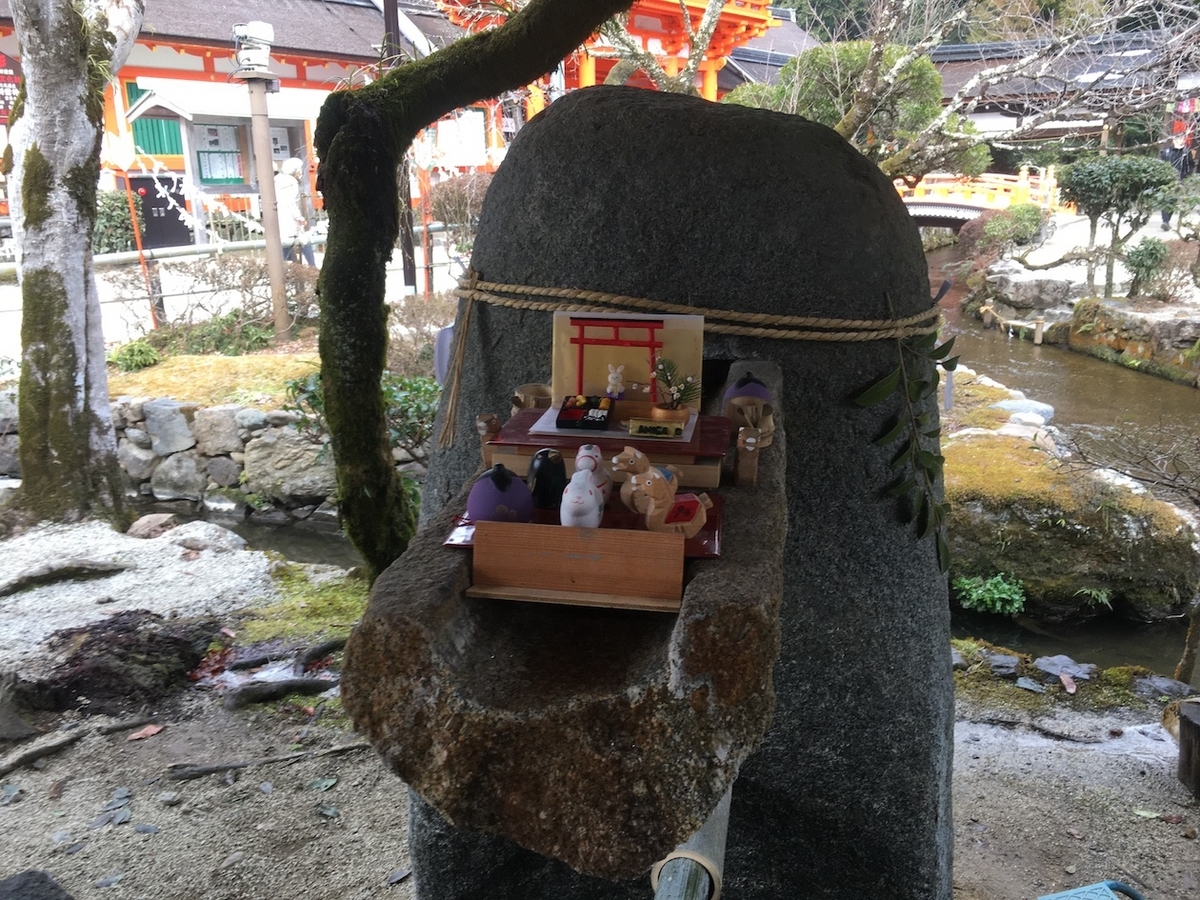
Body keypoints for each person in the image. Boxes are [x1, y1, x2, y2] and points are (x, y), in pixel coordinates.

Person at [274, 157, 316, 266]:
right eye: (299, 169)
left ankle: (288, 271)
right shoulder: (291, 182)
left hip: (281, 219)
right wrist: (299, 217)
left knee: (287, 247)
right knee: (304, 243)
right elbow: (291, 202)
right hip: (290, 220)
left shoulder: (278, 181)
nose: (301, 171)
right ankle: (313, 268)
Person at [1158, 134, 1194, 230]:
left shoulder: (1186, 152)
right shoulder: (1166, 152)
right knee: (1166, 199)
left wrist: (1187, 176)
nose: (1181, 140)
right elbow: (1160, 166)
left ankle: (1174, 221)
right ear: (1174, 140)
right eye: (1179, 138)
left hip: (1181, 179)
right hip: (1167, 179)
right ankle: (1165, 221)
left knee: (1177, 201)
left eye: (1183, 138)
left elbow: (1191, 165)